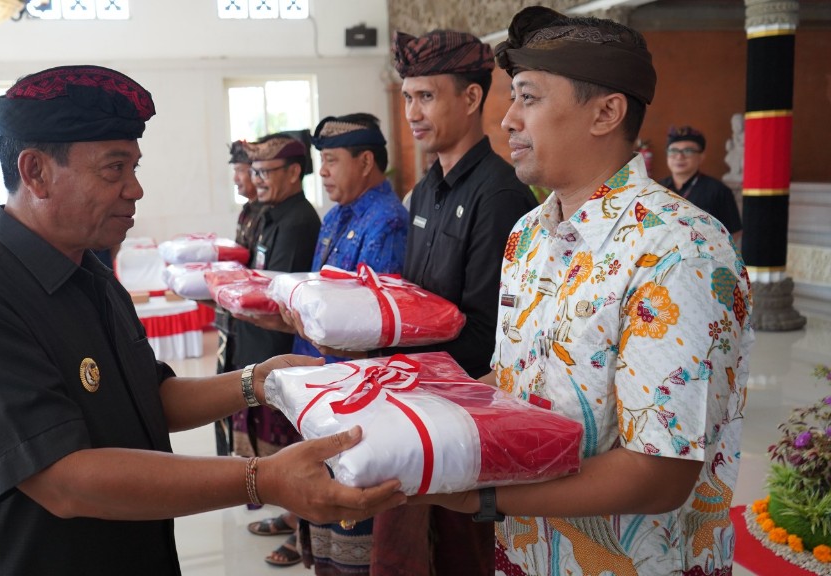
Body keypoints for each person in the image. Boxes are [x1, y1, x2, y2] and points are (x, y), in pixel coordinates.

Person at [0, 65, 402, 576]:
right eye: (114, 169)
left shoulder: (90, 273)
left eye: (134, 167)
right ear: (35, 172)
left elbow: (150, 398)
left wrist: (261, 381)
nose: (135, 189)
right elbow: (63, 480)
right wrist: (262, 478)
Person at [418, 8, 753, 575]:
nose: (508, 120)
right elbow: (513, 380)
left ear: (606, 113)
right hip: (525, 554)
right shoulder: (528, 235)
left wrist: (482, 498)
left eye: (528, 98)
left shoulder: (680, 248)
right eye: (512, 99)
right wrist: (420, 414)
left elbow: (659, 475)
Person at [357, 30, 539, 576]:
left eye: (426, 96)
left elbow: (488, 333)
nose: (412, 113)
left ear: (472, 97)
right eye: (407, 97)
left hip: (463, 418)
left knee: (462, 556)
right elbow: (413, 303)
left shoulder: (499, 193)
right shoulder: (427, 188)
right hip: (414, 404)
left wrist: (398, 375)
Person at [242, 113, 410, 571]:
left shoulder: (388, 221)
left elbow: (372, 324)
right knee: (318, 491)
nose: (325, 173)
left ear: (366, 161)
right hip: (321, 376)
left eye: (332, 161)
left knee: (349, 501)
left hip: (356, 386)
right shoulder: (335, 216)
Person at [228, 131, 321, 566]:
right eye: (256, 171)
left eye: (267, 171)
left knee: (290, 447)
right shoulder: (269, 213)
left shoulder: (299, 220)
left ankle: (301, 524)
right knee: (273, 446)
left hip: (280, 347)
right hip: (257, 340)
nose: (258, 179)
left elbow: (276, 294)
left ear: (294, 172)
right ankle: (291, 514)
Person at [213, 140, 269, 456]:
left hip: (254, 323)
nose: (236, 179)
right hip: (234, 320)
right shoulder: (248, 211)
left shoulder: (268, 214)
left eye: (241, 171)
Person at [659, 125, 743, 242]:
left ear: (701, 156)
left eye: (688, 151)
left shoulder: (719, 191)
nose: (679, 156)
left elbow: (734, 233)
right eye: (673, 150)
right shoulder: (657, 189)